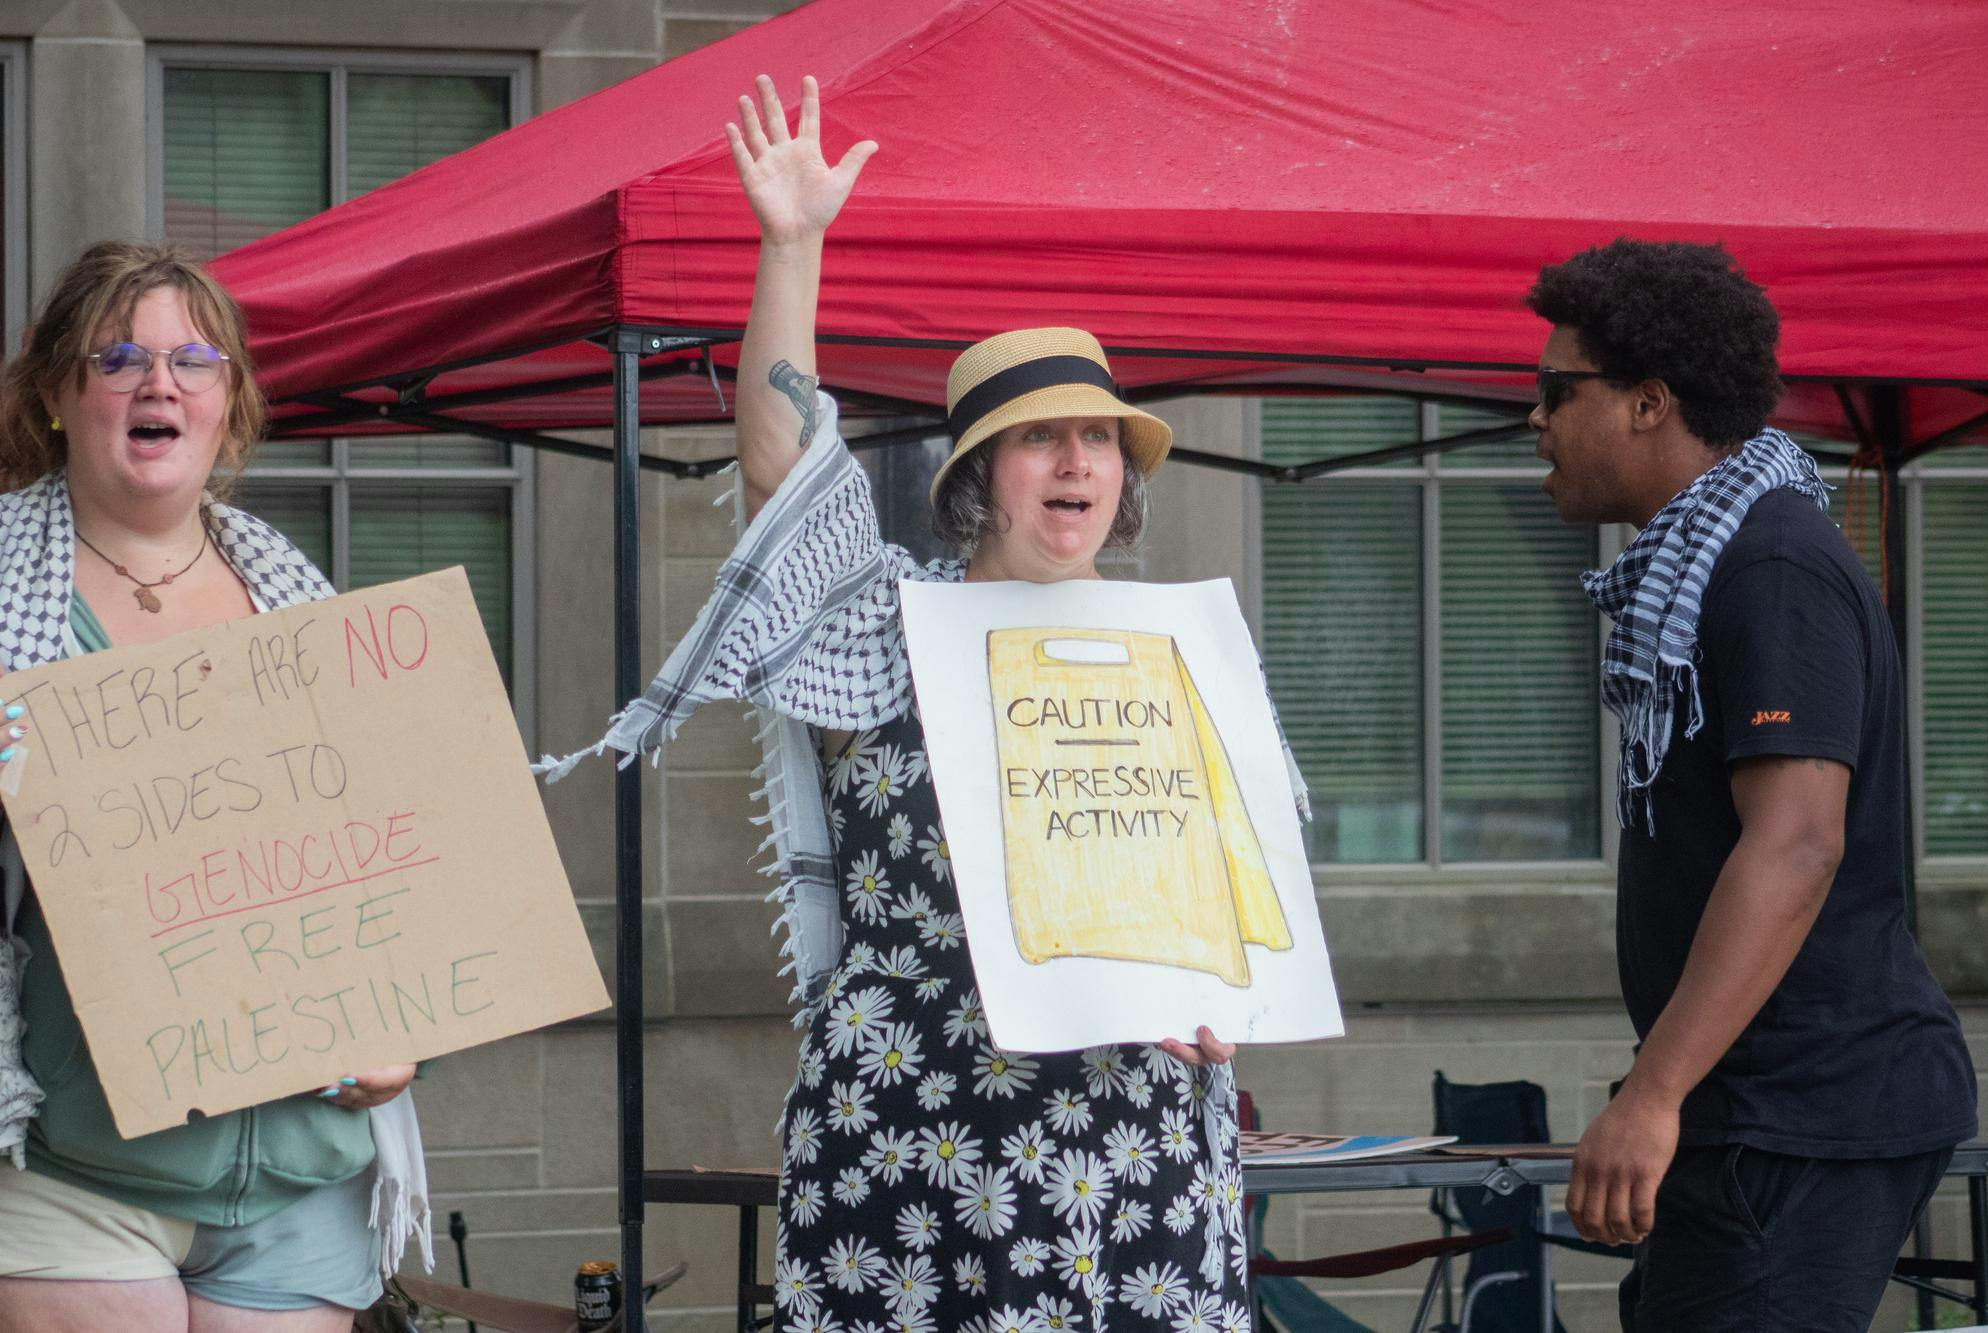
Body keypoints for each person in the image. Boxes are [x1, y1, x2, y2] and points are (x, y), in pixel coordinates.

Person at [538, 75, 1291, 1332]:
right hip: (914, 1119)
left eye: (1097, 438)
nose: (1074, 462)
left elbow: (1234, 893)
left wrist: (1231, 1009)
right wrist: (791, 246)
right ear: (972, 477)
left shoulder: (1179, 650)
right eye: (1039, 438)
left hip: (1126, 1133)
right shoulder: (893, 621)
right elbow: (782, 469)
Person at [1526, 237, 1976, 1332]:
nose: (1532, 419)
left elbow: (1795, 844)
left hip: (1801, 1112)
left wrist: (1654, 1092)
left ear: (1646, 402)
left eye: (1554, 391)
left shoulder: (1768, 566)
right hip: (1754, 1109)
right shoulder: (1705, 562)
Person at [0, 241, 428, 1331]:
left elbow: (376, 857)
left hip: (299, 1170)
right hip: (74, 1165)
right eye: (118, 359)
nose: (160, 383)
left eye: (194, 359)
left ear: (226, 401)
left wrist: (397, 1020)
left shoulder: (298, 596)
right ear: (56, 392)